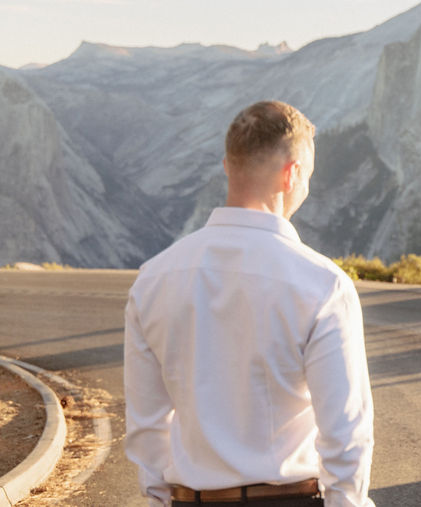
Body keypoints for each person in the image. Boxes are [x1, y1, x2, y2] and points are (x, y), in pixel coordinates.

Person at [124, 100, 375, 507]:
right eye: (307, 176)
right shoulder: (323, 285)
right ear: (291, 173)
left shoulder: (153, 279)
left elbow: (147, 424)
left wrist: (158, 500)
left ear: (227, 165)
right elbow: (347, 433)